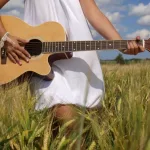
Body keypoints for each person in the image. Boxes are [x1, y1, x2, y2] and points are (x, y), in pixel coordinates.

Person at [0, 0, 145, 122]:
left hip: (79, 60)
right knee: (64, 114)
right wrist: (4, 37)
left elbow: (93, 13)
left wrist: (122, 45)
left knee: (77, 128)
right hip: (37, 60)